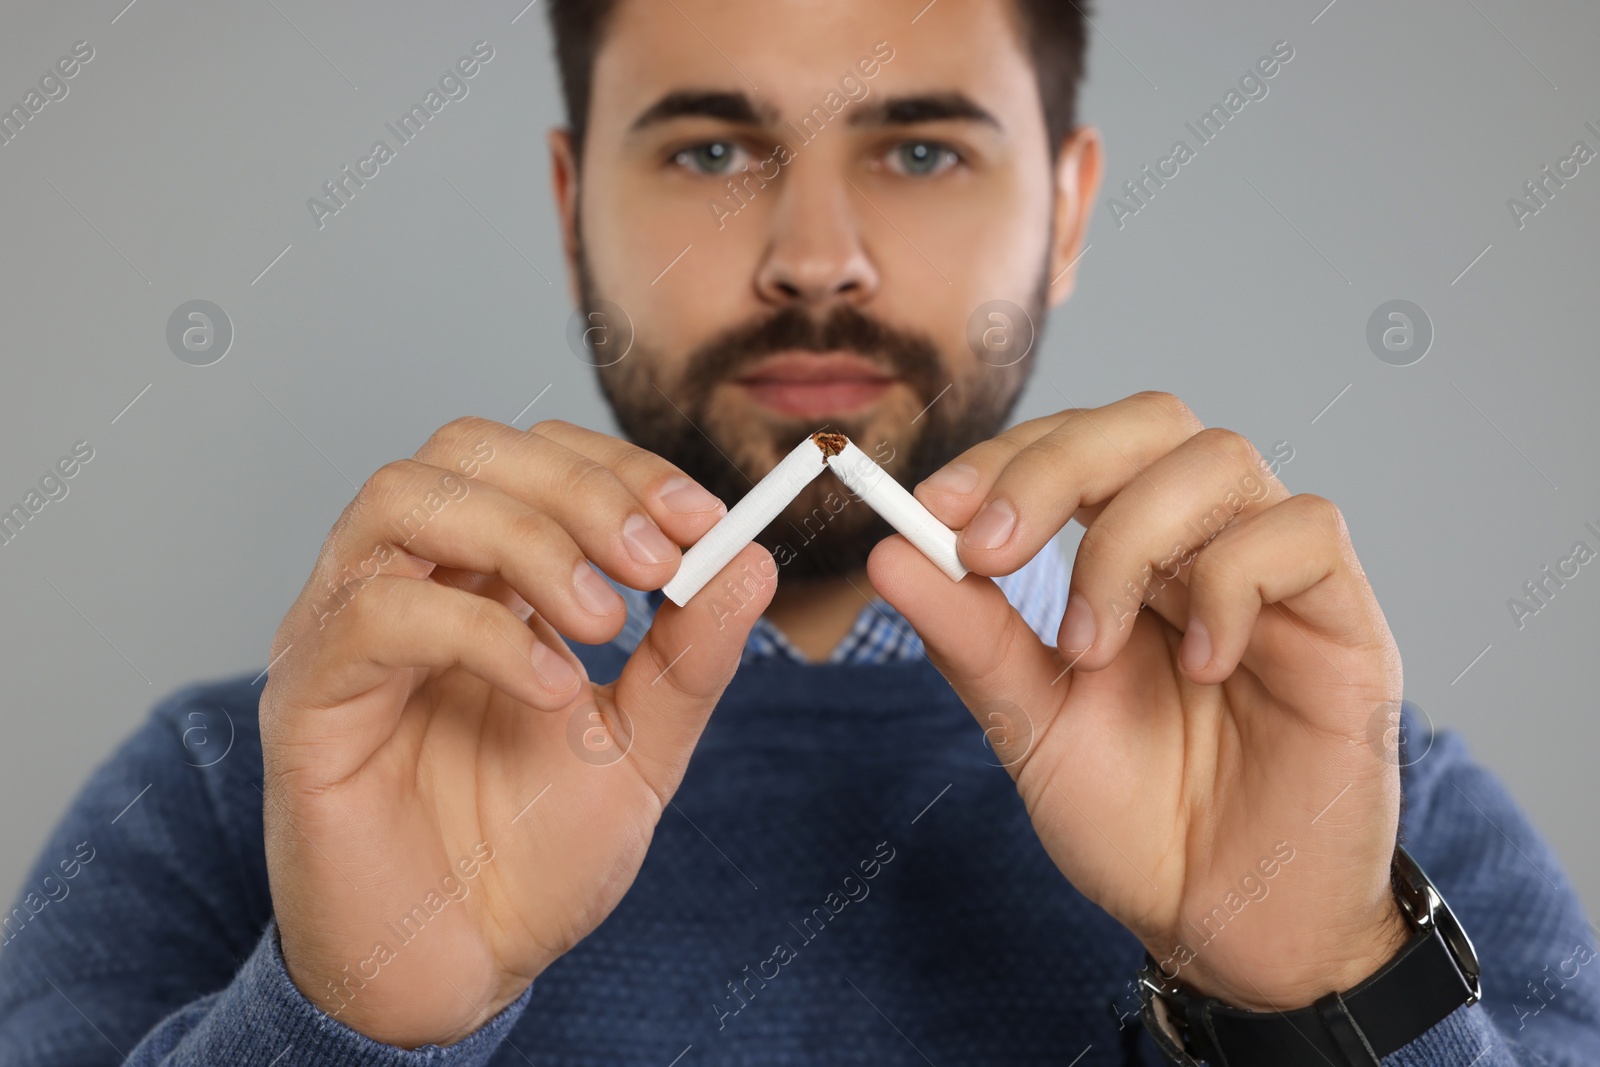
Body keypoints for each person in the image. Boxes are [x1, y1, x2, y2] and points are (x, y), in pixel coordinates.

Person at [2, 0, 1596, 1063]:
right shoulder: (245, 782)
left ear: (1069, 206)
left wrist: (1312, 990)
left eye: (919, 149)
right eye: (711, 149)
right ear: (572, 211)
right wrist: (349, 1023)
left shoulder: (1365, 798)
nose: (815, 257)